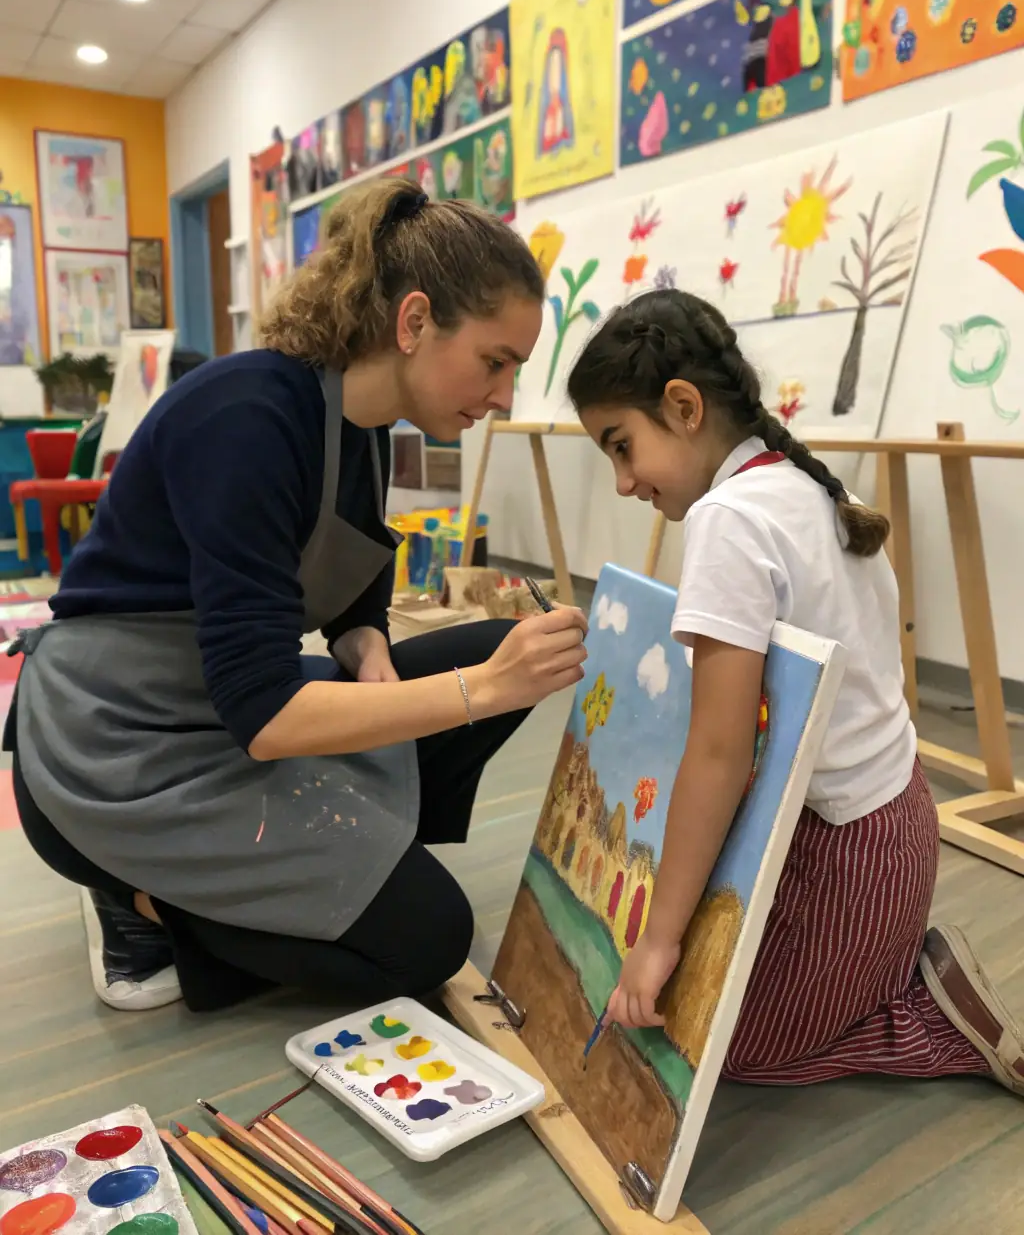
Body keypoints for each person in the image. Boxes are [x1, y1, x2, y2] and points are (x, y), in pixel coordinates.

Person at [9, 179, 588, 1014]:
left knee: (482, 651)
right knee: (428, 940)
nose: (503, 396)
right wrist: (486, 689)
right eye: (495, 362)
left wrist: (369, 647)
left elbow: (350, 596)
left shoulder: (362, 426)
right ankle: (145, 904)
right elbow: (269, 716)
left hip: (217, 708)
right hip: (114, 748)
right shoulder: (248, 418)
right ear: (414, 321)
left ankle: (325, 873)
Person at [566, 287, 1024, 1096]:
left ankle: (926, 1013)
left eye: (621, 445)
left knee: (730, 1047)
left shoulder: (729, 521)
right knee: (707, 991)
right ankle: (875, 969)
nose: (623, 482)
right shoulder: (800, 482)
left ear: (682, 407)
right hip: (888, 822)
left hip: (854, 849)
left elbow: (719, 751)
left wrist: (660, 940)